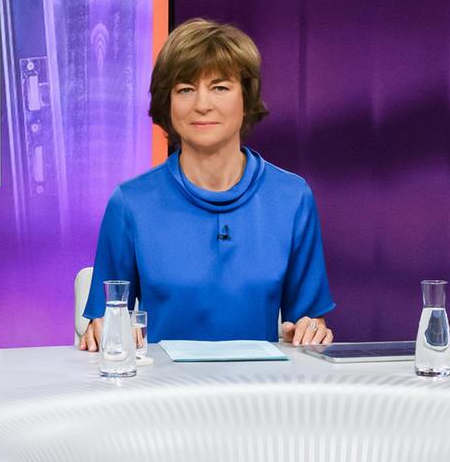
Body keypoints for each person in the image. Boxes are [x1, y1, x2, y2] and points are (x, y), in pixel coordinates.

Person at [78, 18, 333, 348]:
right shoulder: (130, 203)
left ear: (247, 98)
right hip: (161, 382)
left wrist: (312, 329)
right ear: (167, 104)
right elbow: (103, 327)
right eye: (185, 89)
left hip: (260, 381)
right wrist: (102, 330)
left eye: (220, 87)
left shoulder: (292, 198)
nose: (202, 105)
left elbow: (307, 324)